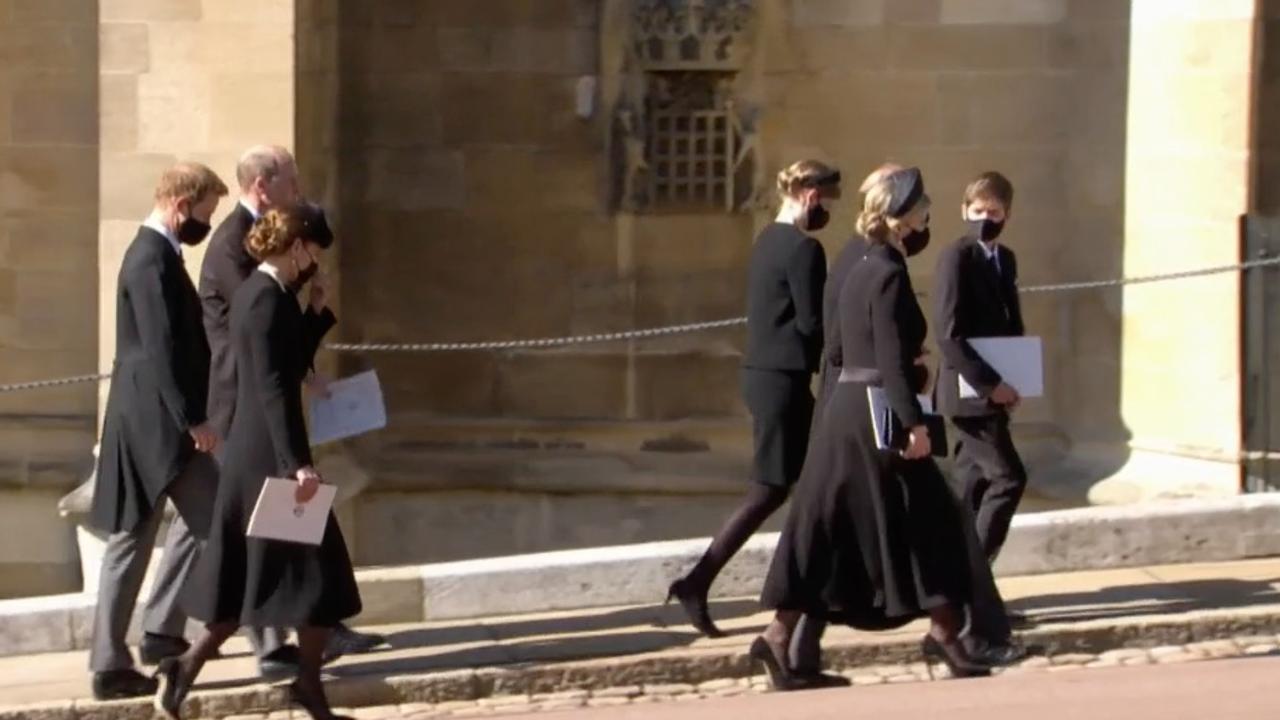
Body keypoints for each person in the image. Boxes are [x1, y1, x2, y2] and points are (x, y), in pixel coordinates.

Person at [755, 167, 990, 690]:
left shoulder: (859, 264)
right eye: (922, 208)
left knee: (828, 526)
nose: (927, 216)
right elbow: (886, 356)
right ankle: (946, 632)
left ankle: (779, 636)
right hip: (875, 415)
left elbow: (839, 348)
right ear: (905, 216)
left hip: (847, 408)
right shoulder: (886, 270)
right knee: (939, 521)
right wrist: (913, 423)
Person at [156, 205, 361, 720]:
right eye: (314, 251)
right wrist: (298, 464)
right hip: (269, 456)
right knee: (321, 577)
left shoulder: (266, 295)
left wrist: (317, 311)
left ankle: (185, 668)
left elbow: (286, 363)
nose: (316, 260)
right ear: (297, 247)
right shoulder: (266, 300)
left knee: (249, 579)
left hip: (256, 452)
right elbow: (273, 389)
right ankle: (309, 688)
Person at [199, 146, 385, 675]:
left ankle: (299, 649)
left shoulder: (275, 280)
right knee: (245, 547)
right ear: (263, 186)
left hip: (268, 423)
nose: (298, 193)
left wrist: (317, 313)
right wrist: (296, 460)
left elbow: (281, 346)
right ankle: (204, 653)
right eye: (292, 182)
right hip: (248, 417)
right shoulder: (242, 257)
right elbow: (267, 356)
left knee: (272, 543)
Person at [665, 160, 840, 684]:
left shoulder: (766, 240)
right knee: (773, 490)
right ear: (810, 195)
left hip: (766, 376)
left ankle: (792, 612)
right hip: (784, 379)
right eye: (829, 199)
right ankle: (702, 583)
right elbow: (814, 324)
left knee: (801, 489)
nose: (830, 209)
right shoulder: (805, 248)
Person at [86, 163, 228, 700]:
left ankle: (160, 632)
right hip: (155, 427)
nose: (206, 224)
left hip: (161, 423)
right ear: (180, 204)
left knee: (209, 519)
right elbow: (161, 349)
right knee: (133, 539)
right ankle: (111, 661)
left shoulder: (162, 254)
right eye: (205, 213)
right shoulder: (148, 258)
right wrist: (194, 419)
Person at [933, 172, 1027, 562]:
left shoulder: (1004, 258)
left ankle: (958, 591)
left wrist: (1017, 379)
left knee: (969, 490)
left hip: (995, 392)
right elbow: (949, 333)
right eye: (977, 210)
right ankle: (978, 586)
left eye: (994, 210)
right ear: (964, 211)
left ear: (1007, 214)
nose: (985, 217)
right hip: (969, 394)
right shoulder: (957, 256)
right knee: (1008, 479)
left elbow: (1009, 324)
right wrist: (990, 385)